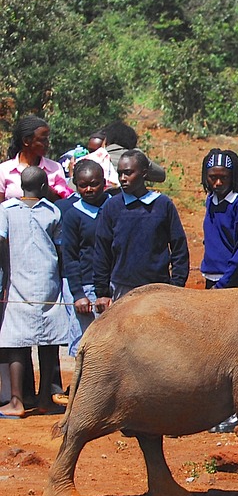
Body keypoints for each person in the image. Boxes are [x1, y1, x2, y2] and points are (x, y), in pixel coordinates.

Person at [0, 166, 74, 418]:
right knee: (49, 342)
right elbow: (60, 247)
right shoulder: (53, 211)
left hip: (18, 281)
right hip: (48, 281)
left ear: (21, 185)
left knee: (16, 342)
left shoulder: (6, 210)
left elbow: (1, 241)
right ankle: (45, 399)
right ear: (45, 188)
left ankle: (16, 402)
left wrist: (6, 271)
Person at [92, 149, 189, 312]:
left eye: (128, 173)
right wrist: (102, 291)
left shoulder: (162, 204)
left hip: (158, 289)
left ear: (144, 173)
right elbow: (102, 250)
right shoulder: (112, 206)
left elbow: (179, 248)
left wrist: (176, 286)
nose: (122, 179)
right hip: (121, 288)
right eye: (120, 173)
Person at [56, 158, 110, 357]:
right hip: (86, 285)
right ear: (76, 186)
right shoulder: (73, 215)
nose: (89, 189)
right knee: (84, 345)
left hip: (112, 284)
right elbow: (70, 256)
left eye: (94, 184)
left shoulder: (114, 209)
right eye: (83, 185)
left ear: (104, 183)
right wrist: (78, 294)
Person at [199, 149, 238, 289]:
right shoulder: (211, 199)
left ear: (233, 177)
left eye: (224, 177)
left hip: (232, 282)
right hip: (211, 276)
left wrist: (223, 284)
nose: (218, 183)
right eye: (213, 177)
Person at [0, 116, 74, 202]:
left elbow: (61, 203)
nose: (47, 144)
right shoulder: (4, 170)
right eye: (43, 140)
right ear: (26, 141)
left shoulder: (56, 168)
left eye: (47, 139)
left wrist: (45, 188)